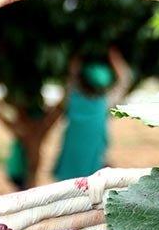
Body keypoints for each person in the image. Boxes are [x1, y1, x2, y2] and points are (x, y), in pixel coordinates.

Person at [52, 47, 131, 182]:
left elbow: (72, 73)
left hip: (70, 163)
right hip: (93, 167)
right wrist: (115, 57)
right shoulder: (106, 102)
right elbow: (125, 80)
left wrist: (79, 55)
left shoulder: (72, 96)